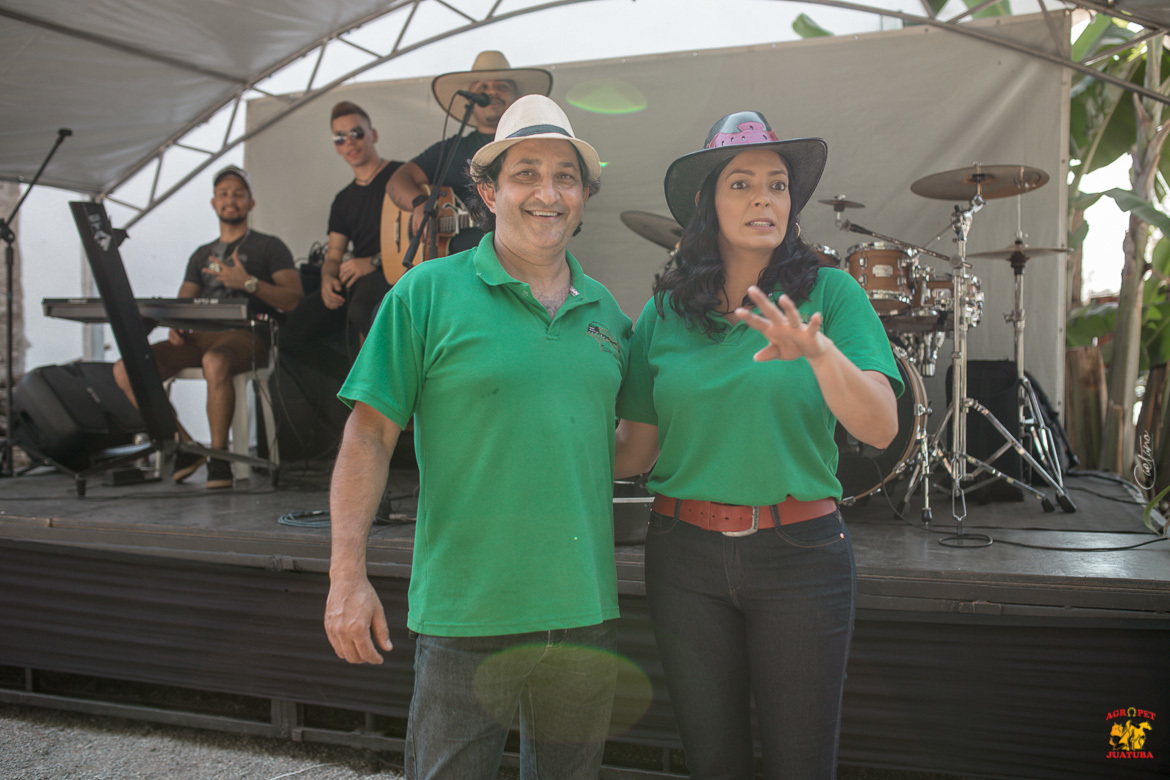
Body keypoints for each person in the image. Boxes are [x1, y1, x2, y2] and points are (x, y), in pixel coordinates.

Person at [325, 95, 630, 778]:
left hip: (583, 612)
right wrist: (346, 575)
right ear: (489, 193)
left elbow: (629, 448)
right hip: (466, 614)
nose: (547, 193)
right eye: (526, 174)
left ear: (584, 195)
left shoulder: (607, 311)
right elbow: (368, 435)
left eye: (566, 176)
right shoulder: (425, 294)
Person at [614, 111, 903, 778]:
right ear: (706, 202)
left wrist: (820, 354)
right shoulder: (663, 313)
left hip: (800, 556)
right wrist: (540, 440)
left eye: (777, 185)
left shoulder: (832, 293)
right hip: (683, 559)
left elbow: (881, 428)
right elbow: (634, 452)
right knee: (712, 763)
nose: (763, 199)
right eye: (741, 183)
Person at [112, 165, 303, 488]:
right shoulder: (201, 255)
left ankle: (219, 459)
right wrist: (175, 325)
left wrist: (249, 283)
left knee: (215, 360)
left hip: (247, 336)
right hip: (198, 339)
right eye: (223, 194)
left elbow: (294, 299)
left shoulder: (269, 247)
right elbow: (183, 302)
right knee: (126, 369)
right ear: (214, 203)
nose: (231, 200)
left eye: (238, 194)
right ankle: (185, 446)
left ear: (251, 203)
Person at [280, 101, 402, 382]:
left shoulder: (402, 176)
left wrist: (373, 261)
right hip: (356, 279)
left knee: (362, 309)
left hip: (395, 272)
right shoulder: (343, 200)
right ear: (335, 146)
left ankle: (375, 388)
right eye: (340, 137)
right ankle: (352, 383)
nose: (349, 142)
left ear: (373, 134)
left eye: (356, 133)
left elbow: (426, 233)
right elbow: (334, 255)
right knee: (291, 333)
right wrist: (326, 279)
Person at [385, 50, 552, 256]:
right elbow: (397, 180)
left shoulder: (533, 147)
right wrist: (419, 204)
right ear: (470, 102)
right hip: (452, 266)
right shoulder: (451, 149)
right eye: (483, 88)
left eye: (502, 86)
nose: (492, 91)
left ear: (516, 99)